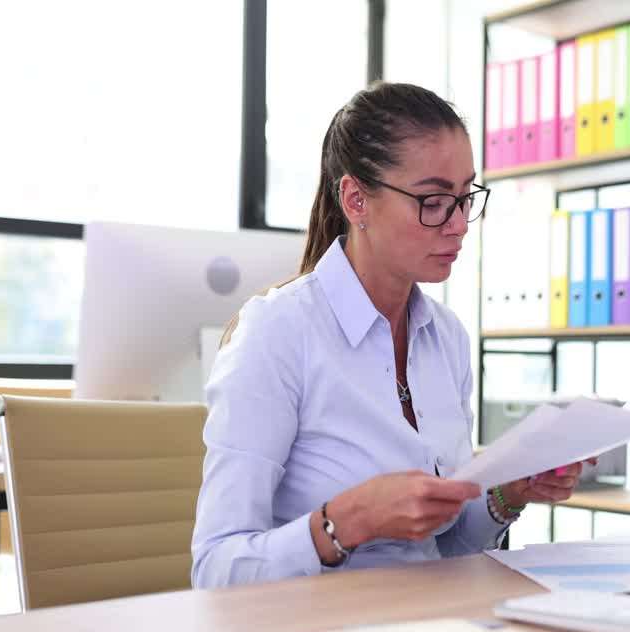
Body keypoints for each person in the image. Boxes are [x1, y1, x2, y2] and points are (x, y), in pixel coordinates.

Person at [191, 82, 588, 588]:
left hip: (421, 626)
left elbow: (440, 550)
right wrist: (345, 524)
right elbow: (215, 571)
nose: (459, 224)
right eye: (433, 200)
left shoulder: (447, 338)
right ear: (356, 200)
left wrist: (505, 494)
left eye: (466, 197)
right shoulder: (278, 333)